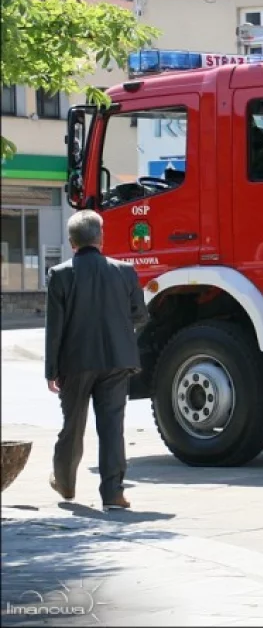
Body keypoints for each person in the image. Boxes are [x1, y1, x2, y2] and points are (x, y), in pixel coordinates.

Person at [45, 209, 148, 510]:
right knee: (112, 426)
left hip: (75, 363)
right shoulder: (125, 271)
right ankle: (113, 492)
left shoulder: (60, 275)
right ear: (101, 237)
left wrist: (51, 369)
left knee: (73, 425)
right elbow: (140, 315)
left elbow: (55, 328)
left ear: (71, 241)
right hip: (117, 360)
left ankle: (65, 483)